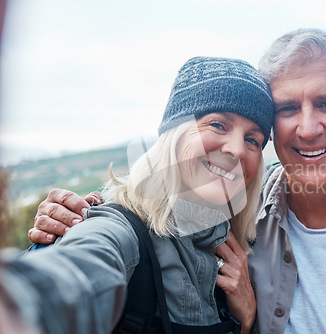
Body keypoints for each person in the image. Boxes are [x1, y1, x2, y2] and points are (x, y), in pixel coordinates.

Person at [29, 29, 326, 333]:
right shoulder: (234, 232)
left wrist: (246, 320)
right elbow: (98, 256)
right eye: (288, 109)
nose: (308, 127)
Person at [1, 56, 276, 334]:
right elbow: (73, 278)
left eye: (252, 139)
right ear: (175, 133)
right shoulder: (117, 229)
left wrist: (246, 321)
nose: (238, 150)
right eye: (218, 124)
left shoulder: (234, 249)